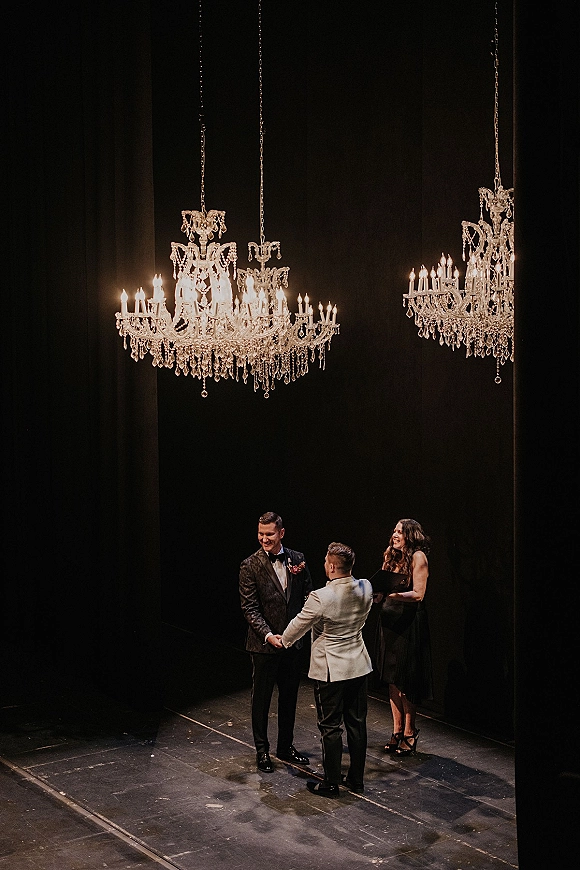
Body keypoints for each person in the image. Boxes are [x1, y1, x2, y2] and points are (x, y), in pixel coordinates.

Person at [278, 542, 373, 797]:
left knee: (330, 726)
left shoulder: (322, 596)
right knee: (357, 724)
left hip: (332, 669)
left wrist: (283, 640)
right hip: (358, 664)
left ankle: (331, 783)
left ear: (331, 566)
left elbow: (299, 623)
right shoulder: (366, 586)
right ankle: (356, 780)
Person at [239, 511, 313, 773]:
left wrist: (296, 631)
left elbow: (307, 596)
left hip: (292, 643)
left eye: (269, 534)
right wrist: (269, 635)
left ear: (281, 533)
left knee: (289, 698)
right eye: (260, 534)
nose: (264, 539)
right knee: (261, 700)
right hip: (264, 645)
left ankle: (285, 746)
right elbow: (250, 608)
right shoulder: (250, 565)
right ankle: (262, 750)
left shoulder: (298, 559)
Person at [373, 518, 433, 756]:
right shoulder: (391, 555)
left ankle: (410, 731)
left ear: (411, 535)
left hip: (409, 623)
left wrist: (392, 595)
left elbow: (418, 594)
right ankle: (397, 730)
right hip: (389, 621)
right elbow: (384, 587)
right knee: (392, 679)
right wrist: (378, 595)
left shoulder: (418, 557)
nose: (395, 535)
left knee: (406, 679)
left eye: (400, 532)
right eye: (394, 530)